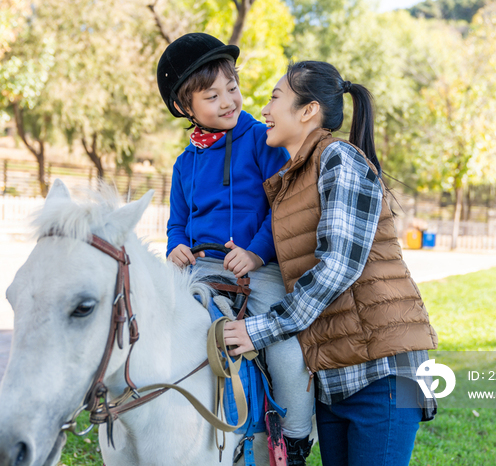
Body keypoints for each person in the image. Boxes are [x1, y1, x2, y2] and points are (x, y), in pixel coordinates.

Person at [223, 61, 439, 466]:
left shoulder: (339, 158)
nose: (264, 110)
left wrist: (260, 330)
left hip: (385, 372)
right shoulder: (293, 177)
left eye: (275, 98)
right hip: (336, 376)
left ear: (308, 111)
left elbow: (338, 266)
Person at [156, 33, 315, 464]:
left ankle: (297, 438)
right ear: (185, 108)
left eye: (233, 88)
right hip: (202, 270)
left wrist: (257, 253)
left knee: (284, 343)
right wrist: (176, 247)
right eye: (212, 96)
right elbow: (177, 222)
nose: (228, 101)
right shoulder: (184, 163)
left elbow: (282, 207)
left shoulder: (262, 140)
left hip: (256, 270)